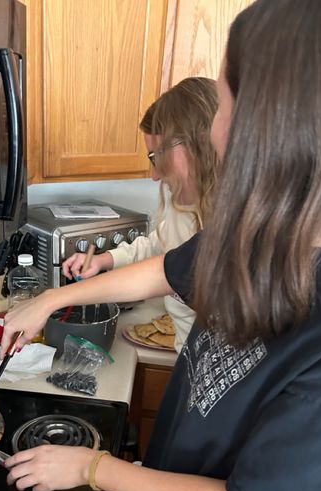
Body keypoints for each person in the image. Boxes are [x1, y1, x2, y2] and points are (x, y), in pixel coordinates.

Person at [0, 0, 321, 491]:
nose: (215, 129)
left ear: (275, 126)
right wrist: (50, 298)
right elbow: (165, 267)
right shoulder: (261, 232)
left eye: (226, 102)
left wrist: (96, 468)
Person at [62, 77, 218, 352]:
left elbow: (163, 273)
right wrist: (105, 259)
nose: (155, 175)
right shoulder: (183, 205)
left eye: (156, 157)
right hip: (188, 357)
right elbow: (159, 245)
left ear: (195, 143)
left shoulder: (241, 228)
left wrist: (52, 300)